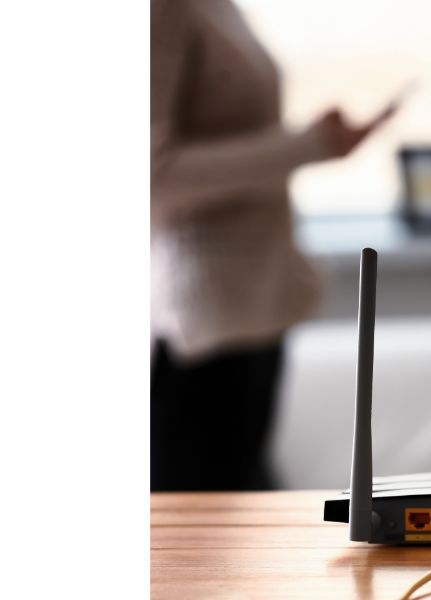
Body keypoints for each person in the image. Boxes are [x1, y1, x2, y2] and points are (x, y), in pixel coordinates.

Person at [150, 0, 389, 490]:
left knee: (242, 513)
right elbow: (152, 175)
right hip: (210, 319)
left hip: (259, 303)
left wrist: (317, 141)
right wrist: (306, 145)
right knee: (208, 528)